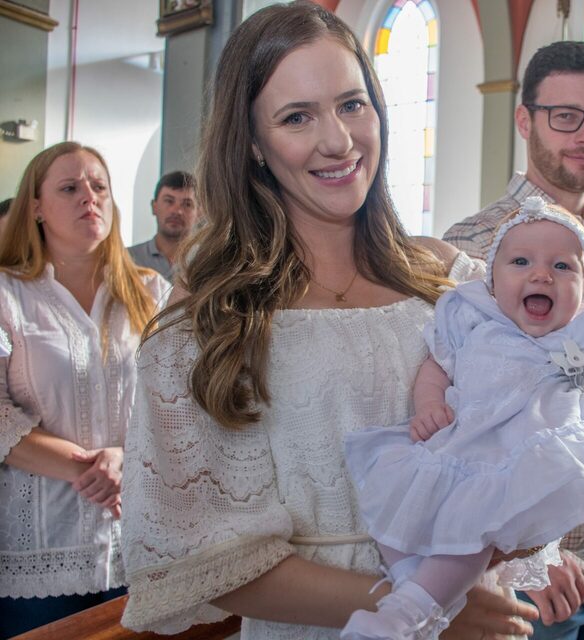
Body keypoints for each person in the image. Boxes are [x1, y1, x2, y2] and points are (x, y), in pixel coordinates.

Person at [118, 4, 537, 639]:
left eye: (351, 104)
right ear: (252, 145)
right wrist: (425, 605)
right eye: (297, 117)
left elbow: (523, 438)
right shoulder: (211, 320)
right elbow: (209, 555)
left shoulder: (452, 283)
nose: (338, 140)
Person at [342, 198, 584, 638]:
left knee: (472, 535)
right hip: (464, 446)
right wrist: (430, 406)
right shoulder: (474, 318)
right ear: (492, 280)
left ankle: (407, 613)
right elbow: (435, 366)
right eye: (521, 262)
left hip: (530, 461)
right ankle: (412, 586)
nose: (542, 275)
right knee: (396, 509)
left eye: (563, 266)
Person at [444, 40, 584, 638]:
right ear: (525, 120)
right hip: (535, 576)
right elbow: (460, 419)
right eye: (566, 116)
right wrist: (527, 555)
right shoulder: (477, 242)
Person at [0, 142, 167, 638]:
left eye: (99, 187)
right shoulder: (7, 294)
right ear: (35, 207)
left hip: (138, 541)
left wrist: (125, 458)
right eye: (70, 188)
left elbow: (178, 404)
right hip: (40, 549)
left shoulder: (152, 293)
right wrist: (90, 470)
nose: (88, 198)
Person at [127, 171, 199, 282]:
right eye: (169, 201)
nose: (177, 211)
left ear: (199, 213)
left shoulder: (208, 261)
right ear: (154, 207)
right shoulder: (127, 259)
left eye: (187, 204)